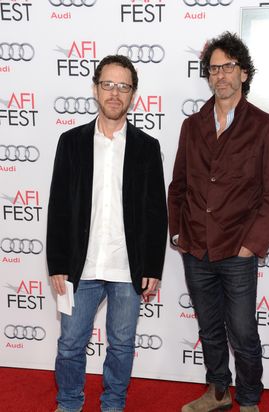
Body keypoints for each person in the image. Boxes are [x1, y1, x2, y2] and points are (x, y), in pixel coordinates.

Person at [168, 32, 269, 412]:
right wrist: (177, 232)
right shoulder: (192, 125)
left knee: (243, 332)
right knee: (209, 329)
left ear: (244, 73)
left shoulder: (267, 127)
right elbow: (179, 185)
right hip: (195, 248)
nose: (220, 75)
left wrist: (250, 246)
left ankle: (249, 399)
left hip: (238, 250)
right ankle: (218, 391)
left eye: (228, 67)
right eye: (214, 68)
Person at [47, 55, 168, 412]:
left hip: (126, 269)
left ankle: (113, 404)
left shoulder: (147, 147)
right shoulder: (71, 142)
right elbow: (59, 207)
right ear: (96, 89)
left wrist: (153, 267)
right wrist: (56, 263)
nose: (115, 93)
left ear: (134, 95)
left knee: (122, 344)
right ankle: (69, 403)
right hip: (79, 266)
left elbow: (155, 213)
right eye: (108, 85)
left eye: (124, 86)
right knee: (70, 344)